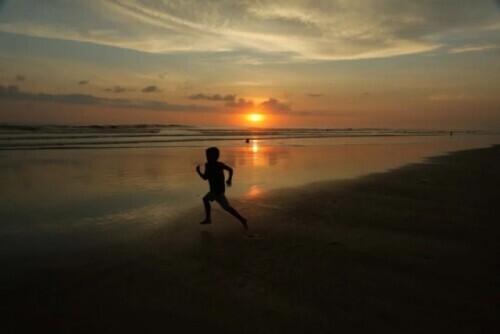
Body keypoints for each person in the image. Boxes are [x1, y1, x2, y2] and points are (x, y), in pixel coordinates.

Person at [196, 147, 248, 230]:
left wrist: (229, 179)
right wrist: (198, 172)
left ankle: (208, 219)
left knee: (206, 200)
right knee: (226, 207)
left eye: (209, 156)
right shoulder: (208, 165)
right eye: (207, 155)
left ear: (216, 156)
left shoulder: (219, 165)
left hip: (218, 190)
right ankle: (242, 219)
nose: (207, 157)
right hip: (214, 190)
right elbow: (205, 177)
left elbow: (230, 170)